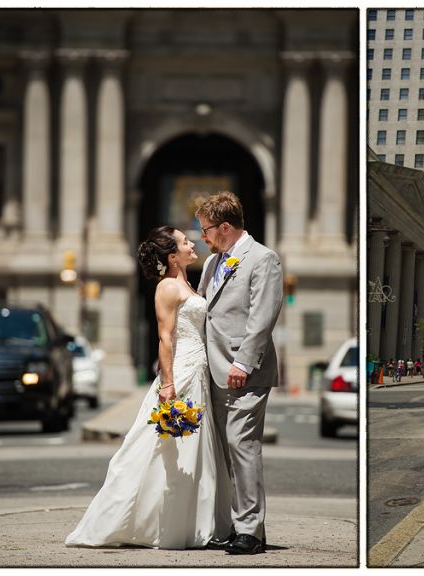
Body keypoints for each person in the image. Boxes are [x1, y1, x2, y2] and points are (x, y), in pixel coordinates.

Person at [65, 226, 231, 549]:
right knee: (163, 447)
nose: (192, 243)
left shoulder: (189, 284)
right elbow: (165, 338)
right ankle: (146, 522)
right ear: (172, 257)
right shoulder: (167, 287)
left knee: (194, 448)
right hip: (181, 372)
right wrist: (168, 384)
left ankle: (193, 523)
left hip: (198, 370)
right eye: (185, 242)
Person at [196, 191, 283, 555]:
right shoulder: (211, 263)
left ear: (225, 227)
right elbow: (205, 310)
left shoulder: (263, 259)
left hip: (244, 371)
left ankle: (250, 530)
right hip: (213, 370)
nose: (202, 236)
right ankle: (235, 524)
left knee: (242, 445)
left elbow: (263, 316)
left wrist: (243, 363)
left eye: (206, 230)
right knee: (225, 451)